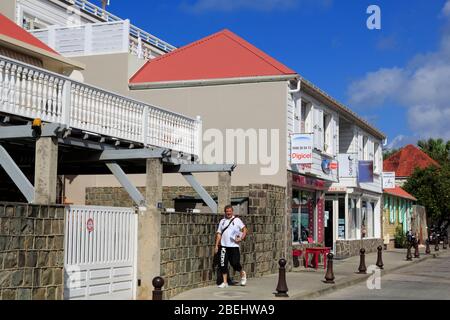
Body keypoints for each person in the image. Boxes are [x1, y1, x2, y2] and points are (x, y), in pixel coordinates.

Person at [215, 205, 248, 288]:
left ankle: (242, 274)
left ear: (232, 211)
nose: (228, 213)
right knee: (223, 264)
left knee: (235, 263)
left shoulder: (237, 220)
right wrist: (216, 245)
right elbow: (219, 234)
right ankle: (225, 282)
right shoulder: (222, 221)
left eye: (230, 211)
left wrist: (241, 238)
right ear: (225, 212)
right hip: (223, 246)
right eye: (227, 211)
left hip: (234, 246)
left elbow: (244, 229)